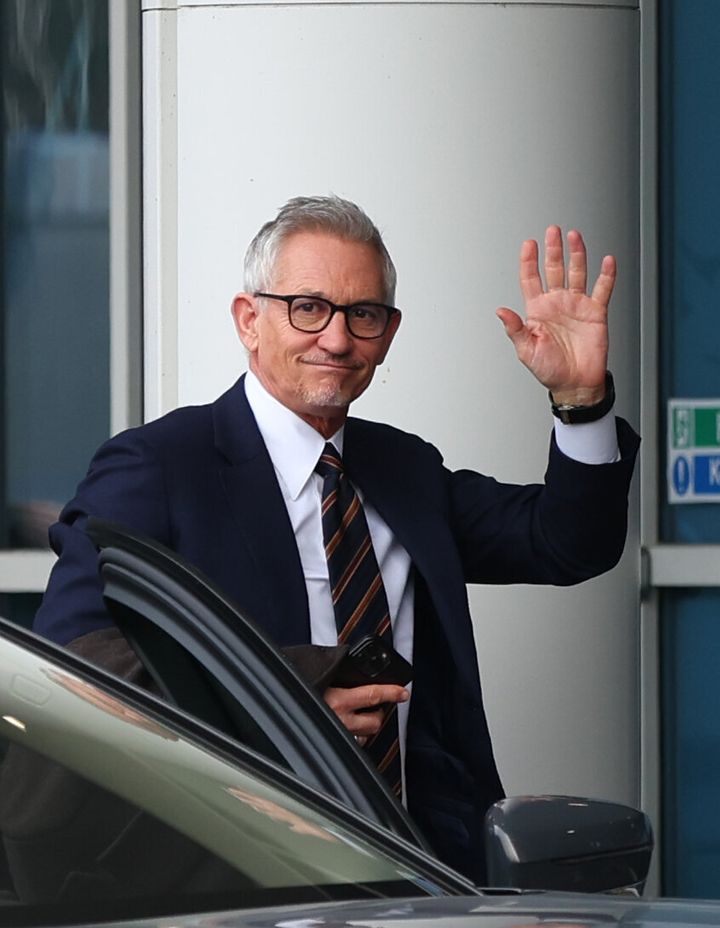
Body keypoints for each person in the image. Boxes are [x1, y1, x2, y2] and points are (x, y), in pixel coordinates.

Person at [33, 195, 639, 881]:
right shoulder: (161, 467)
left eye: (364, 314)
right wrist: (288, 696)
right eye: (308, 307)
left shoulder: (403, 468)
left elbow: (568, 543)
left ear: (389, 332)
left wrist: (582, 402)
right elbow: (72, 668)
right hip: (229, 884)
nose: (338, 338)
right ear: (248, 320)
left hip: (422, 876)